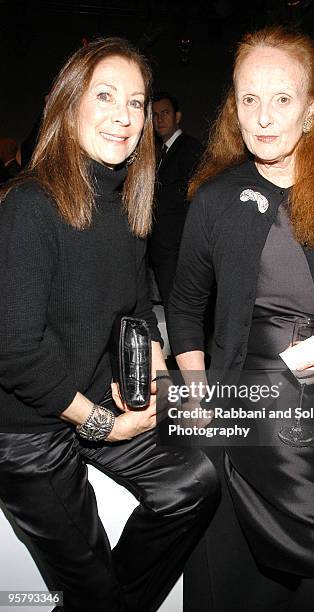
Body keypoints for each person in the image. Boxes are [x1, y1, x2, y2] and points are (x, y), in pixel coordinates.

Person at [167, 26, 314, 612]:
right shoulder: (216, 199)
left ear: (313, 108)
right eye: (249, 98)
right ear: (234, 106)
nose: (264, 117)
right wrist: (200, 396)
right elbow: (185, 306)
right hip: (256, 409)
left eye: (281, 99)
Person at [0, 38, 219, 612]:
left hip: (97, 400)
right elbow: (14, 351)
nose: (125, 116)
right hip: (27, 433)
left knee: (194, 486)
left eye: (138, 102)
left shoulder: (126, 207)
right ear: (70, 103)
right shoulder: (29, 205)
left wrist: (152, 372)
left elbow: (138, 312)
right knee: (93, 587)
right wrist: (101, 425)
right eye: (106, 96)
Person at [149, 91, 203, 311]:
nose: (160, 119)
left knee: (180, 313)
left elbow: (197, 199)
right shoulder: (160, 151)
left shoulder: (189, 149)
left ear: (177, 117)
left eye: (165, 113)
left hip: (178, 251)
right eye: (154, 115)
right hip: (163, 251)